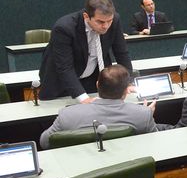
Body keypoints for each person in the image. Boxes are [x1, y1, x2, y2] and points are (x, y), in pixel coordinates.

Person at [39, 64, 167, 149]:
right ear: (127, 90)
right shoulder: (142, 114)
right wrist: (147, 116)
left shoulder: (67, 114)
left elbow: (44, 142)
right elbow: (154, 142)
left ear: (97, 85)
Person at [38, 0, 133, 102]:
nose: (106, 26)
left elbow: (122, 53)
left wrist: (127, 83)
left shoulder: (115, 20)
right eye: (100, 22)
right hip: (61, 83)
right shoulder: (64, 28)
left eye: (109, 21)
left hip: (92, 79)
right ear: (86, 16)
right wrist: (83, 98)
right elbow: (65, 67)